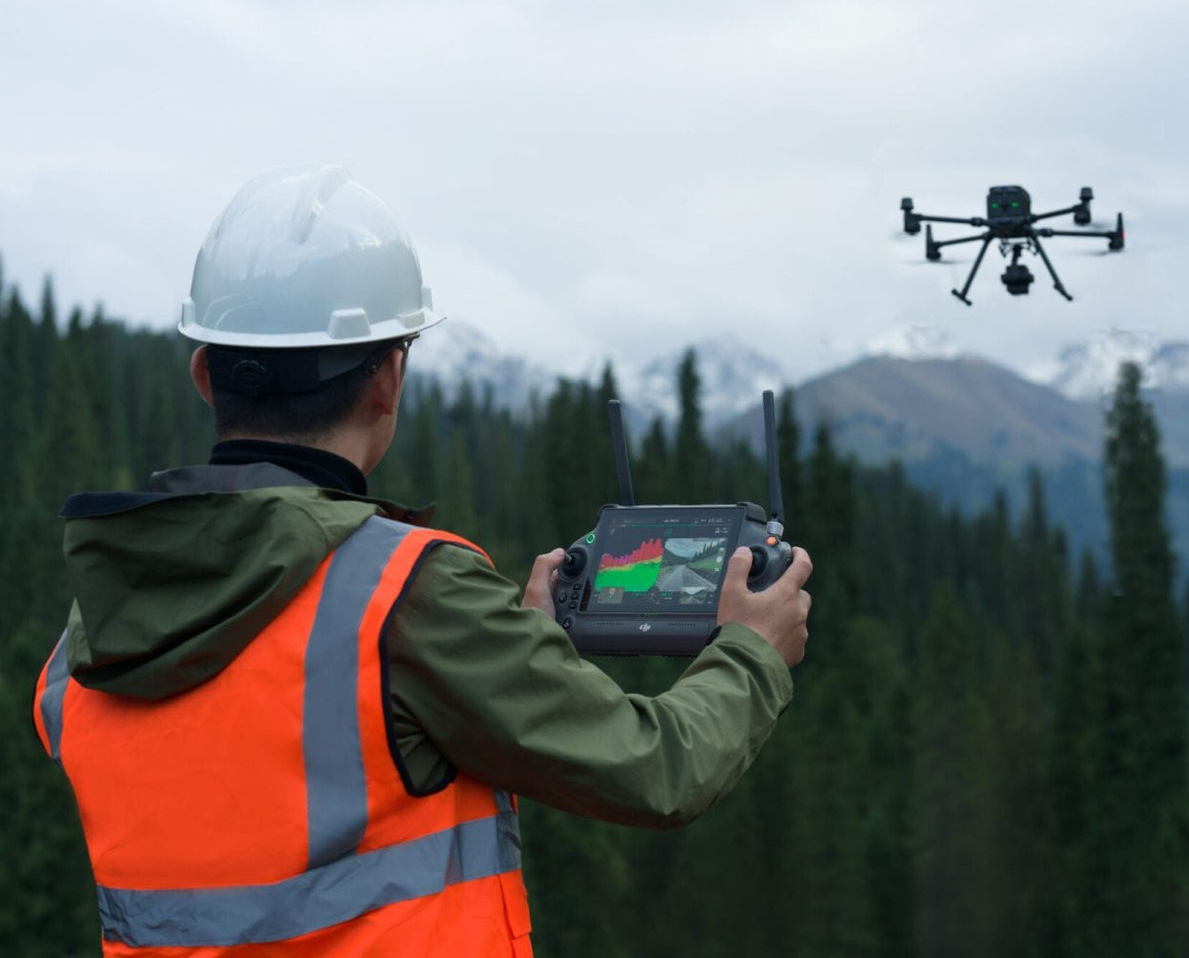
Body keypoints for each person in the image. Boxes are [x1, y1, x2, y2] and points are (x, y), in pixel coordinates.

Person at [33, 166, 813, 957]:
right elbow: (657, 769)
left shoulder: (88, 635)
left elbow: (271, 781)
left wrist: (508, 658)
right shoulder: (406, 591)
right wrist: (753, 654)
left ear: (205, 376)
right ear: (388, 378)